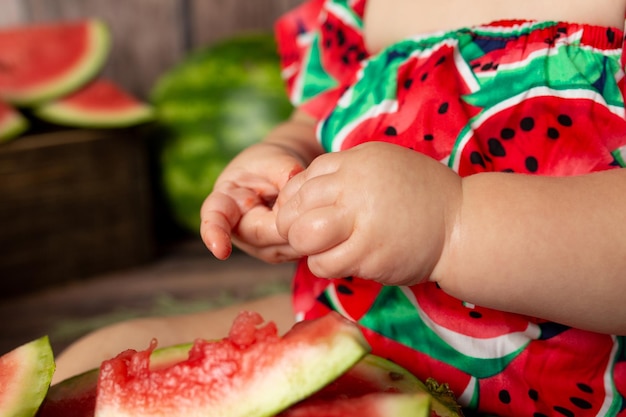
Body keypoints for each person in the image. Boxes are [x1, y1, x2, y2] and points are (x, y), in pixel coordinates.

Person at [54, 0, 626, 415]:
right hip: (348, 325)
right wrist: (281, 162)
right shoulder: (362, 12)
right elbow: (321, 117)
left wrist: (451, 225)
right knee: (100, 360)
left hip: (561, 384)